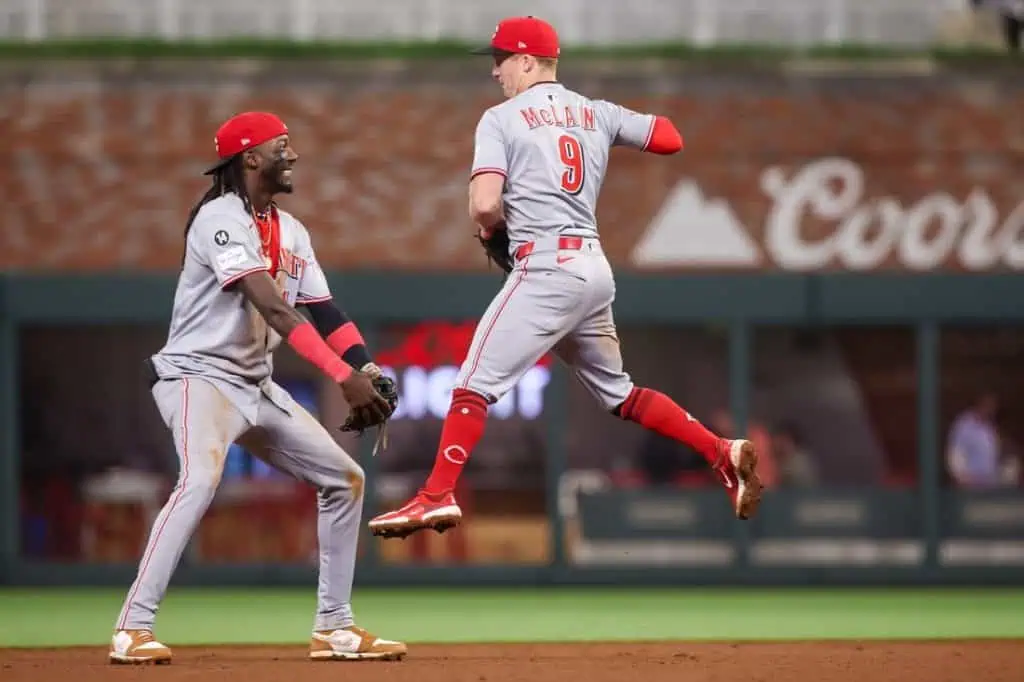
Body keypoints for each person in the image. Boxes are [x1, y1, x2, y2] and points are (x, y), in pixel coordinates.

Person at [368, 16, 763, 539]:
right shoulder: (594, 111)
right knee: (618, 394)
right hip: (594, 269)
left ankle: (435, 495)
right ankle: (720, 451)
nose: (494, 72)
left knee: (471, 384)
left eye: (500, 59)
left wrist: (494, 229)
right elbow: (669, 138)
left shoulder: (500, 119)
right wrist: (608, 124)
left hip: (547, 265)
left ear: (528, 61)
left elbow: (485, 206)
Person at [109, 111, 406, 664]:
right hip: (198, 374)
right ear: (249, 157)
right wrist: (342, 378)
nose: (291, 155)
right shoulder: (218, 218)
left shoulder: (292, 230)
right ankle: (132, 629)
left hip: (254, 382)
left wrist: (365, 367)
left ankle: (333, 627)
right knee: (200, 477)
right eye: (281, 146)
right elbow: (271, 305)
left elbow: (324, 311)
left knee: (345, 480)